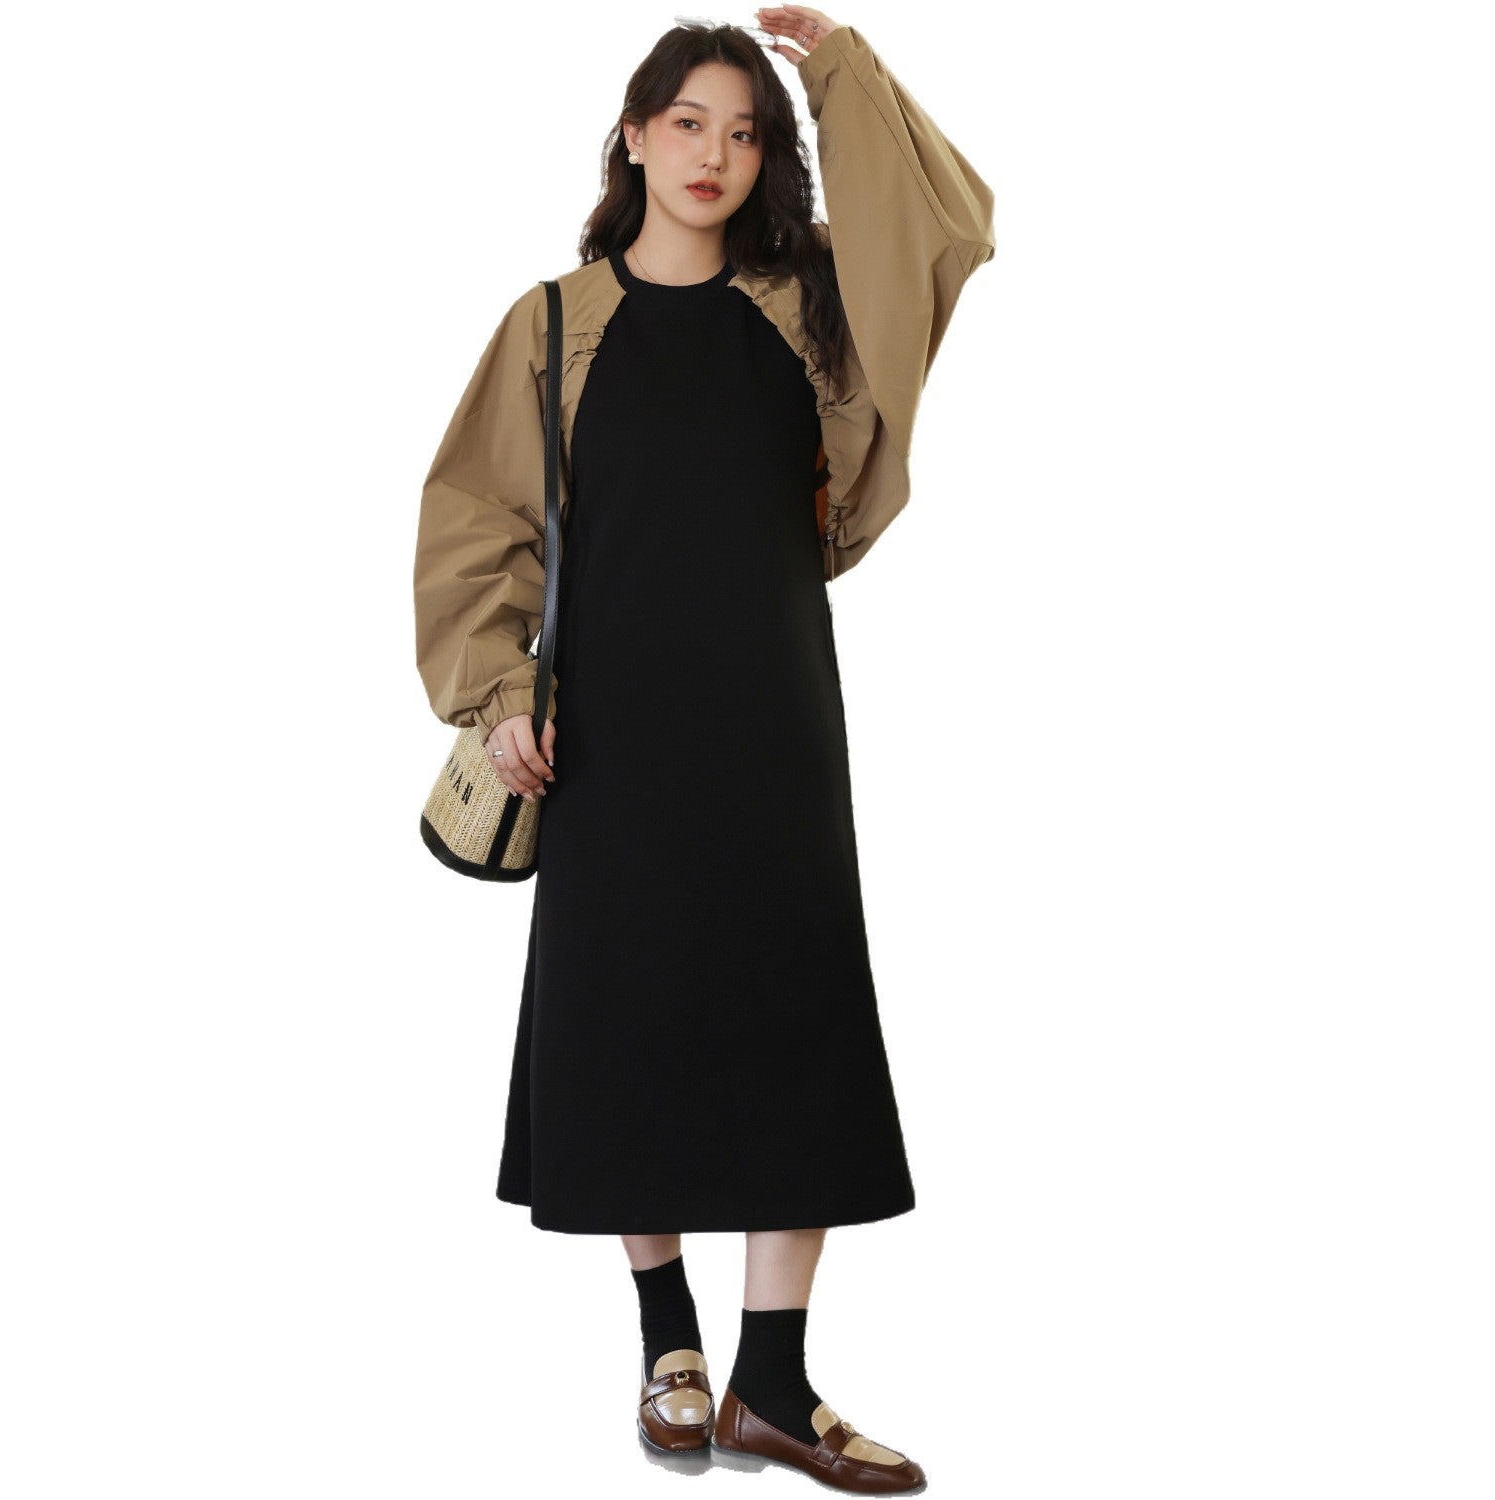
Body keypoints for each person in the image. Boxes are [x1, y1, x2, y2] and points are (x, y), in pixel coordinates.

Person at [412, 6, 994, 1491]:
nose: (714, 155)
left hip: (776, 715)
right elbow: (477, 516)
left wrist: (843, 71)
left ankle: (773, 1386)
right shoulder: (553, 322)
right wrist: (498, 690)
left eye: (744, 132)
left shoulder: (815, 309)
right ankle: (669, 1348)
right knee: (630, 1018)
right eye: (688, 123)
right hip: (609, 731)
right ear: (634, 135)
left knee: (797, 1016)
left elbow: (948, 227)